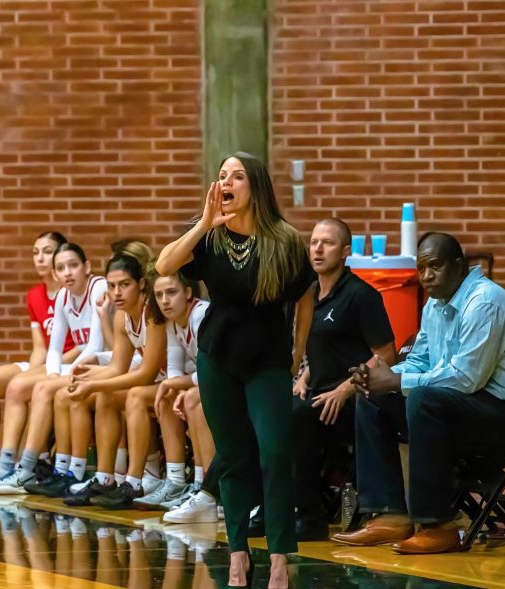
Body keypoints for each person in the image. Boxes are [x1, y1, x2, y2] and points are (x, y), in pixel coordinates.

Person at [333, 232, 505, 554]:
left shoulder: (485, 301)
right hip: (469, 406)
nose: (427, 276)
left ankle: (439, 525)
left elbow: (465, 379)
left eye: (435, 266)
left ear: (459, 265)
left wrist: (395, 382)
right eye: (421, 269)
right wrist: (380, 377)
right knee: (373, 398)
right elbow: (420, 359)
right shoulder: (436, 303)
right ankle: (389, 515)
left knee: (423, 399)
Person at [156, 151, 315, 589]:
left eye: (237, 176)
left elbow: (305, 295)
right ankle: (238, 552)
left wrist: (297, 351)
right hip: (217, 359)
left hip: (267, 362)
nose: (226, 182)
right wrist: (204, 224)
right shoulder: (209, 238)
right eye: (222, 175)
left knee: (275, 453)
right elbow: (164, 266)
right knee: (234, 458)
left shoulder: (284, 240)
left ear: (256, 187)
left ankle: (280, 557)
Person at [292, 218, 396, 540]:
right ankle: (264, 507)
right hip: (320, 392)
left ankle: (310, 517)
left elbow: (386, 355)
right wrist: (304, 376)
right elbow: (326, 347)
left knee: (295, 419)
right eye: (314, 243)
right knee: (266, 410)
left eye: (328, 243)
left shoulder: (361, 295)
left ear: (346, 252)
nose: (318, 249)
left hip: (354, 401)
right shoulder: (309, 295)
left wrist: (343, 390)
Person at [0, 243, 108, 494]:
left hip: (106, 362)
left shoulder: (98, 287)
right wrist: (54, 374)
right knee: (44, 385)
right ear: (55, 274)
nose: (68, 272)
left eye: (73, 265)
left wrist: (64, 374)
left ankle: (25, 468)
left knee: (43, 389)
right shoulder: (62, 296)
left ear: (87, 267)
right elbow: (54, 349)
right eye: (61, 268)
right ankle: (13, 465)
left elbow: (95, 344)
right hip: (85, 365)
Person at [0, 231, 75, 487]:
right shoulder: (34, 295)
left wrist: (34, 375)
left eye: (48, 251)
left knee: (22, 386)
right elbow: (39, 346)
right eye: (36, 252)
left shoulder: (71, 289)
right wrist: (32, 370)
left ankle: (31, 462)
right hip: (47, 359)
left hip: (71, 359)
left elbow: (85, 344)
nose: (41, 258)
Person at [62, 259, 173, 509]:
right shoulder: (122, 316)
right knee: (107, 397)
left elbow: (146, 373)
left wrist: (93, 386)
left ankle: (134, 482)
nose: (116, 293)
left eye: (124, 285)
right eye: (111, 286)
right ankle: (104, 477)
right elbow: (116, 367)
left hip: (179, 379)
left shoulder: (152, 312)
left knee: (130, 395)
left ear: (141, 284)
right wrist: (85, 378)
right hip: (161, 382)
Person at [133, 272, 213, 515]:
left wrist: (179, 385)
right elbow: (175, 368)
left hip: (228, 381)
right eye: (159, 295)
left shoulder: (201, 315)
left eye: (171, 292)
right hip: (204, 381)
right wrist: (172, 386)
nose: (165, 300)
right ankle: (176, 482)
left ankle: (205, 485)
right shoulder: (173, 322)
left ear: (188, 293)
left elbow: (213, 371)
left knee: (188, 398)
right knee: (167, 396)